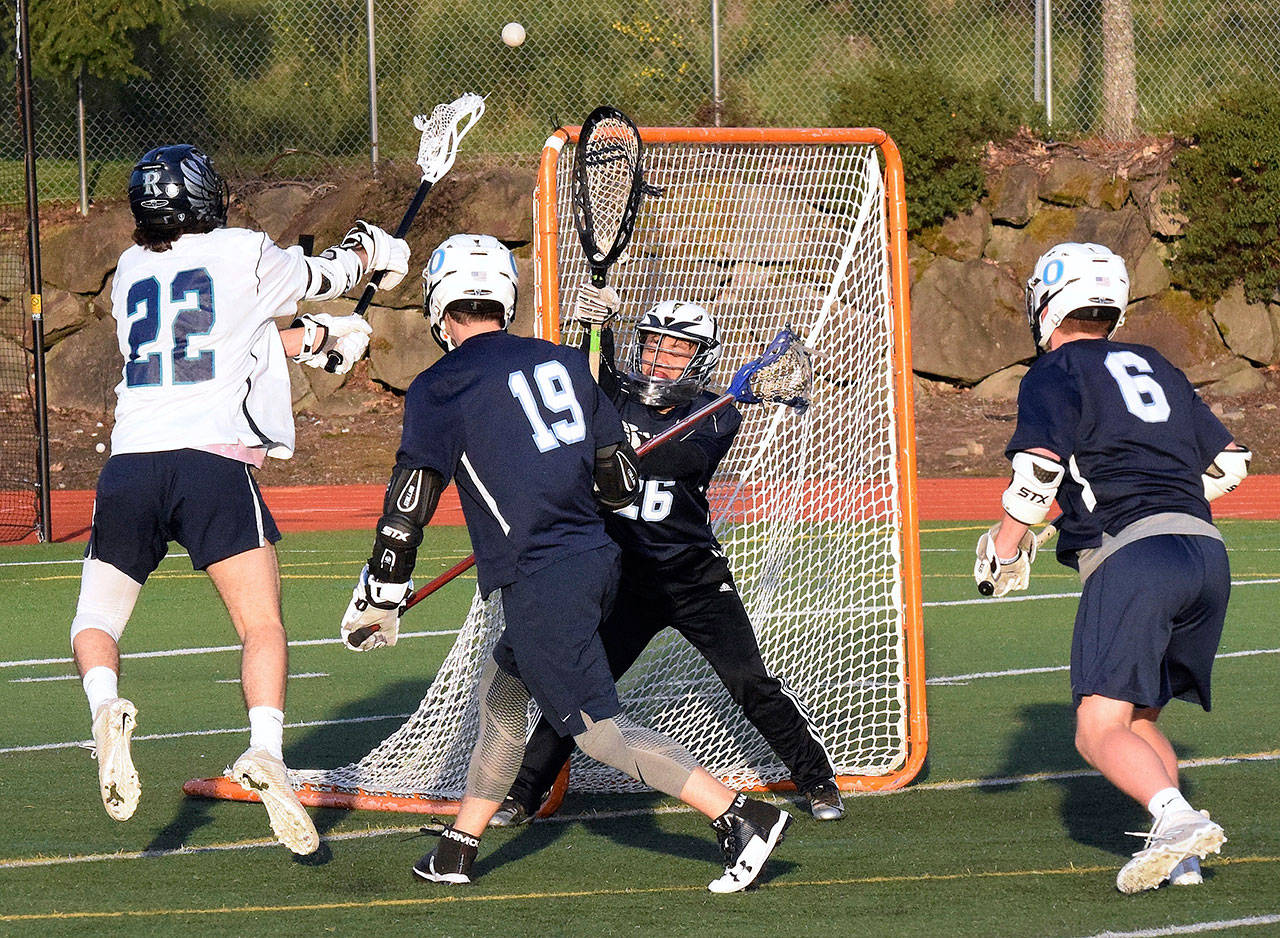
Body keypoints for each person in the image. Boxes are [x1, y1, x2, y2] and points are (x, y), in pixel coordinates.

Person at [339, 234, 793, 893]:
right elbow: (618, 484)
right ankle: (459, 846)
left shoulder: (442, 383)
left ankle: (739, 816)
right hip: (594, 560)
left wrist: (381, 588)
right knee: (502, 692)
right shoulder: (562, 362)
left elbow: (411, 499)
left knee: (599, 734)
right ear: (506, 298)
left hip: (542, 574)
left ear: (441, 307)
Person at [73, 143, 409, 855]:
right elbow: (331, 274)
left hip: (131, 462)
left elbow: (228, 337)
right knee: (261, 625)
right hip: (211, 465)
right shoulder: (243, 251)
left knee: (94, 618)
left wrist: (314, 339)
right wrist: (373, 248)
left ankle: (105, 706)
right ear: (202, 197)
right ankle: (264, 750)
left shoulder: (130, 270)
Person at [487, 290, 843, 829]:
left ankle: (816, 779)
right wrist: (593, 329)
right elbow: (575, 383)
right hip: (624, 580)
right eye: (653, 346)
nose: (659, 359)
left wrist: (618, 447)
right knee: (582, 689)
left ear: (699, 359)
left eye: (676, 351)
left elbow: (677, 454)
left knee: (749, 681)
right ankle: (522, 792)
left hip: (693, 578)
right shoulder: (611, 399)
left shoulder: (716, 418)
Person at [974, 242, 1250, 894]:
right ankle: (1182, 860)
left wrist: (1007, 548)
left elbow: (1039, 468)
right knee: (1140, 718)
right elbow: (1230, 464)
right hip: (1204, 553)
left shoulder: (1055, 371)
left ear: (1047, 302)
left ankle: (1176, 822)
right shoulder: (1155, 362)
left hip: (1136, 558)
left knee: (1097, 732)